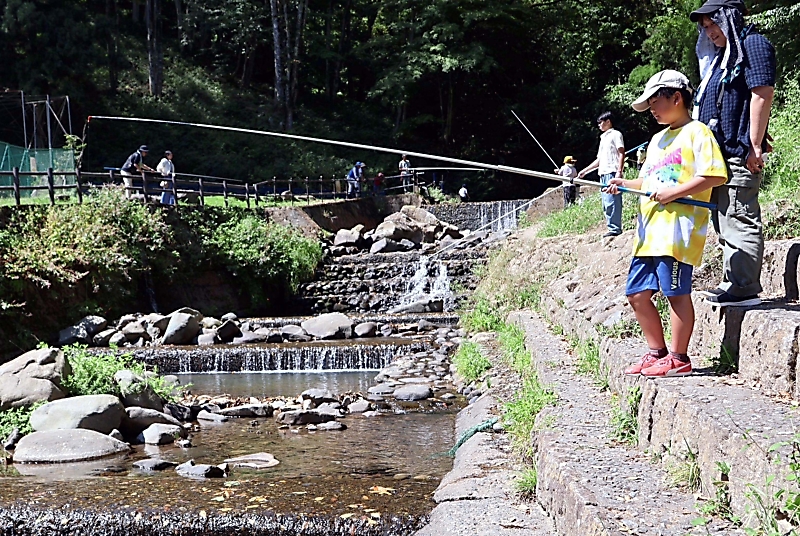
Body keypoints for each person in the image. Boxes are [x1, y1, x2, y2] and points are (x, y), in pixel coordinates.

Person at [606, 69, 727, 377]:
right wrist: (624, 184)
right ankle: (656, 352)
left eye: (655, 102)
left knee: (675, 292)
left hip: (677, 232)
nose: (652, 110)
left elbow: (715, 174)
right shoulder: (657, 140)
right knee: (636, 294)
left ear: (676, 98)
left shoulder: (698, 132)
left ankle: (679, 357)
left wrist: (675, 192)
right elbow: (648, 181)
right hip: (648, 233)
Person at [690, 0, 776, 307]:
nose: (710, 32)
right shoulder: (723, 56)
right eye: (705, 28)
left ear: (730, 19)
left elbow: (762, 93)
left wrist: (755, 143)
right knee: (725, 219)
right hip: (719, 156)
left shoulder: (752, 44)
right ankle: (733, 281)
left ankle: (744, 288)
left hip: (740, 152)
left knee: (738, 215)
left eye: (714, 24)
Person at [578, 112, 626, 237]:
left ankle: (615, 229)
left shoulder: (616, 134)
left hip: (612, 172)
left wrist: (619, 172)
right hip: (603, 173)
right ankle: (611, 227)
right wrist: (585, 170)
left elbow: (621, 152)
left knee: (612, 201)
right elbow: (599, 160)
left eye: (601, 122)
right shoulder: (603, 138)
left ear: (608, 121)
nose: (599, 125)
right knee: (606, 203)